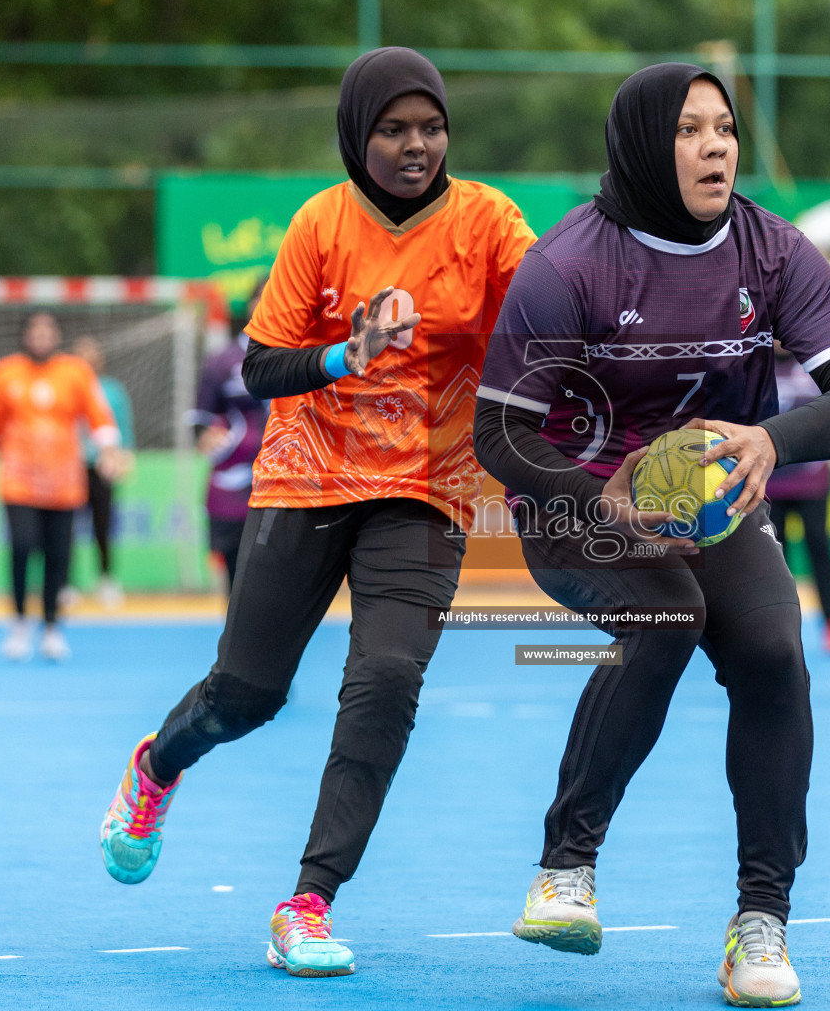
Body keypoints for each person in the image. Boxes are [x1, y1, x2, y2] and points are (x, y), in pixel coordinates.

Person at [97, 47, 537, 979]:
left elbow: (549, 301)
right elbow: (260, 368)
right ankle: (157, 767)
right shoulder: (321, 223)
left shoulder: (488, 220)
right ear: (357, 135)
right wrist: (348, 353)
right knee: (246, 695)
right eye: (393, 129)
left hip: (426, 489)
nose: (416, 145)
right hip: (306, 480)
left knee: (385, 683)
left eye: (431, 126)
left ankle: (307, 900)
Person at [473, 64, 830, 1007]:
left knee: (776, 653)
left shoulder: (772, 251)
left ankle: (761, 924)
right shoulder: (568, 265)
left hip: (712, 503)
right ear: (641, 146)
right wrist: (597, 495)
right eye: (690, 129)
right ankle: (565, 869)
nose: (716, 146)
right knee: (666, 613)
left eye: (726, 128)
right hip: (577, 506)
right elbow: (498, 432)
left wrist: (769, 440)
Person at [0, 312, 121, 662]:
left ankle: (52, 628)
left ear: (57, 335)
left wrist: (110, 450)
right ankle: (19, 622)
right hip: (18, 481)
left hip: (64, 483)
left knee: (58, 556)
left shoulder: (75, 372)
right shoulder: (4, 373)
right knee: (22, 547)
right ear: (24, 335)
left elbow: (99, 415)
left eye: (47, 330)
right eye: (34, 329)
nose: (41, 336)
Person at [190, 278, 270, 591]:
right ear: (250, 304)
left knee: (278, 578)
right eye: (262, 297)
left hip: (290, 483)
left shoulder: (305, 356)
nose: (268, 304)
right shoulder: (222, 362)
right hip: (236, 487)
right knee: (237, 577)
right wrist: (205, 437)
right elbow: (199, 418)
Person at [767, 350, 830, 656]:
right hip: (769, 482)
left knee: (820, 549)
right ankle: (780, 631)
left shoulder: (815, 365)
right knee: (774, 560)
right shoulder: (753, 365)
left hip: (812, 479)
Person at [70, 335, 135, 608]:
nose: (88, 360)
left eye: (92, 354)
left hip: (102, 466)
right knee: (67, 528)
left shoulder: (112, 391)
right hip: (71, 466)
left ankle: (106, 579)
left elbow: (123, 428)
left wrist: (123, 457)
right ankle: (66, 583)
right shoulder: (66, 388)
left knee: (103, 525)